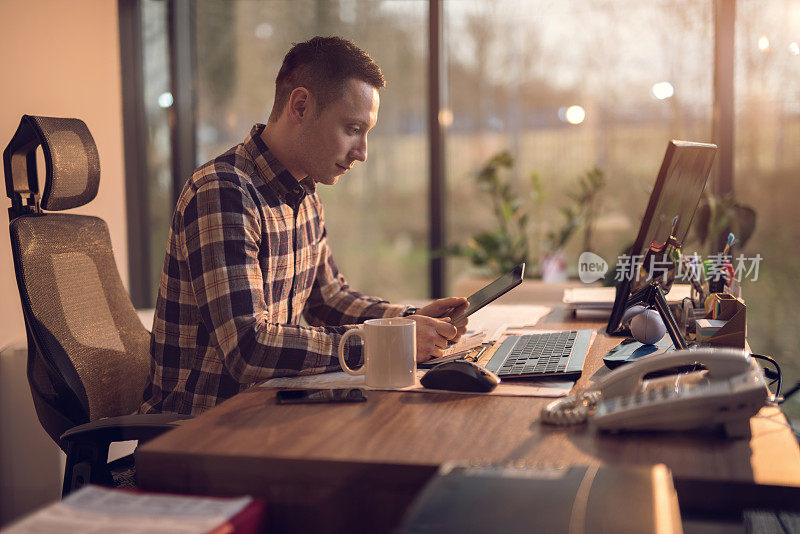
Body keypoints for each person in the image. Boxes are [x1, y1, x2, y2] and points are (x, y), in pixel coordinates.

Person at [141, 36, 468, 415]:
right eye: (352, 128)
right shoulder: (223, 192)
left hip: (265, 415)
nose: (362, 152)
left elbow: (328, 299)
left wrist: (409, 322)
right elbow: (248, 349)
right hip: (198, 437)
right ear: (300, 106)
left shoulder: (305, 192)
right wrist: (386, 343)